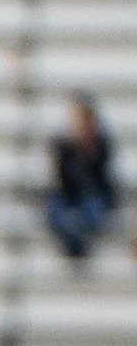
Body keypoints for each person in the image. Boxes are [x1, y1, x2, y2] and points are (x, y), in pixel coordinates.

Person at [50, 96, 120, 271]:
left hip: (94, 197)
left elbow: (94, 178)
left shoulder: (101, 143)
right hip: (69, 198)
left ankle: (78, 244)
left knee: (92, 209)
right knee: (56, 209)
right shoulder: (62, 144)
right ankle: (74, 245)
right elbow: (63, 178)